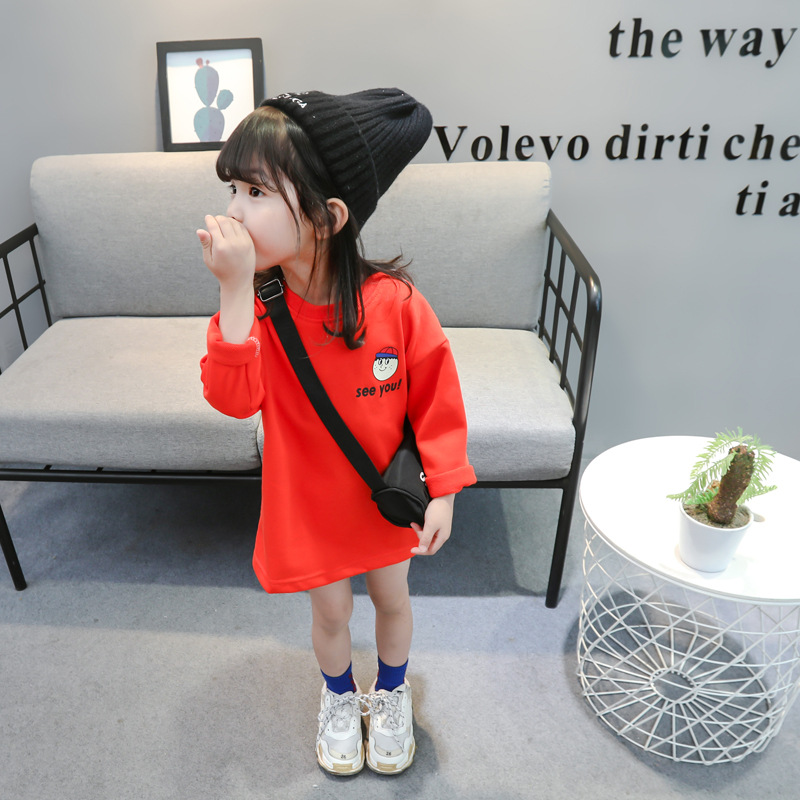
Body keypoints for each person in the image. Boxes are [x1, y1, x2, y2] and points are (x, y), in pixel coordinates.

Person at [198, 88, 476, 776]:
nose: (234, 211)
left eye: (256, 192)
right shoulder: (256, 304)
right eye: (233, 189)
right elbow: (233, 399)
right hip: (308, 504)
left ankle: (391, 690)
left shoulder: (396, 305)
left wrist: (443, 490)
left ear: (328, 217)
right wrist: (233, 290)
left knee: (392, 598)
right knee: (329, 615)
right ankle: (339, 694)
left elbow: (436, 400)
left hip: (381, 500)